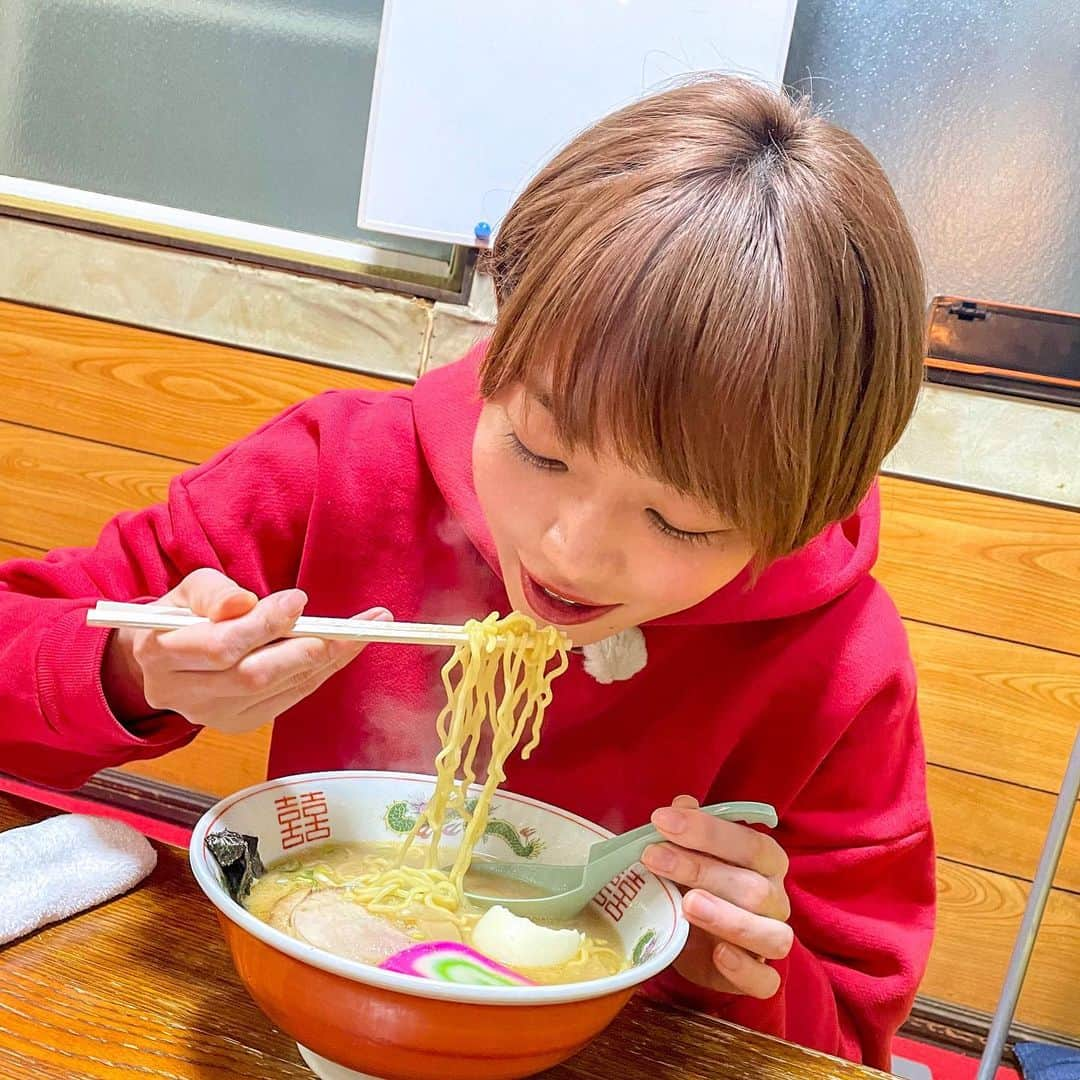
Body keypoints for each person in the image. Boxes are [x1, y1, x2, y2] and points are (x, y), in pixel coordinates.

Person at [0, 77, 934, 1069]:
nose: (570, 548)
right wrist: (134, 666)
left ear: (800, 512)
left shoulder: (840, 660)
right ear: (504, 336)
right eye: (539, 449)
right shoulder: (339, 471)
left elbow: (851, 1043)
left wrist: (735, 968)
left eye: (678, 519)